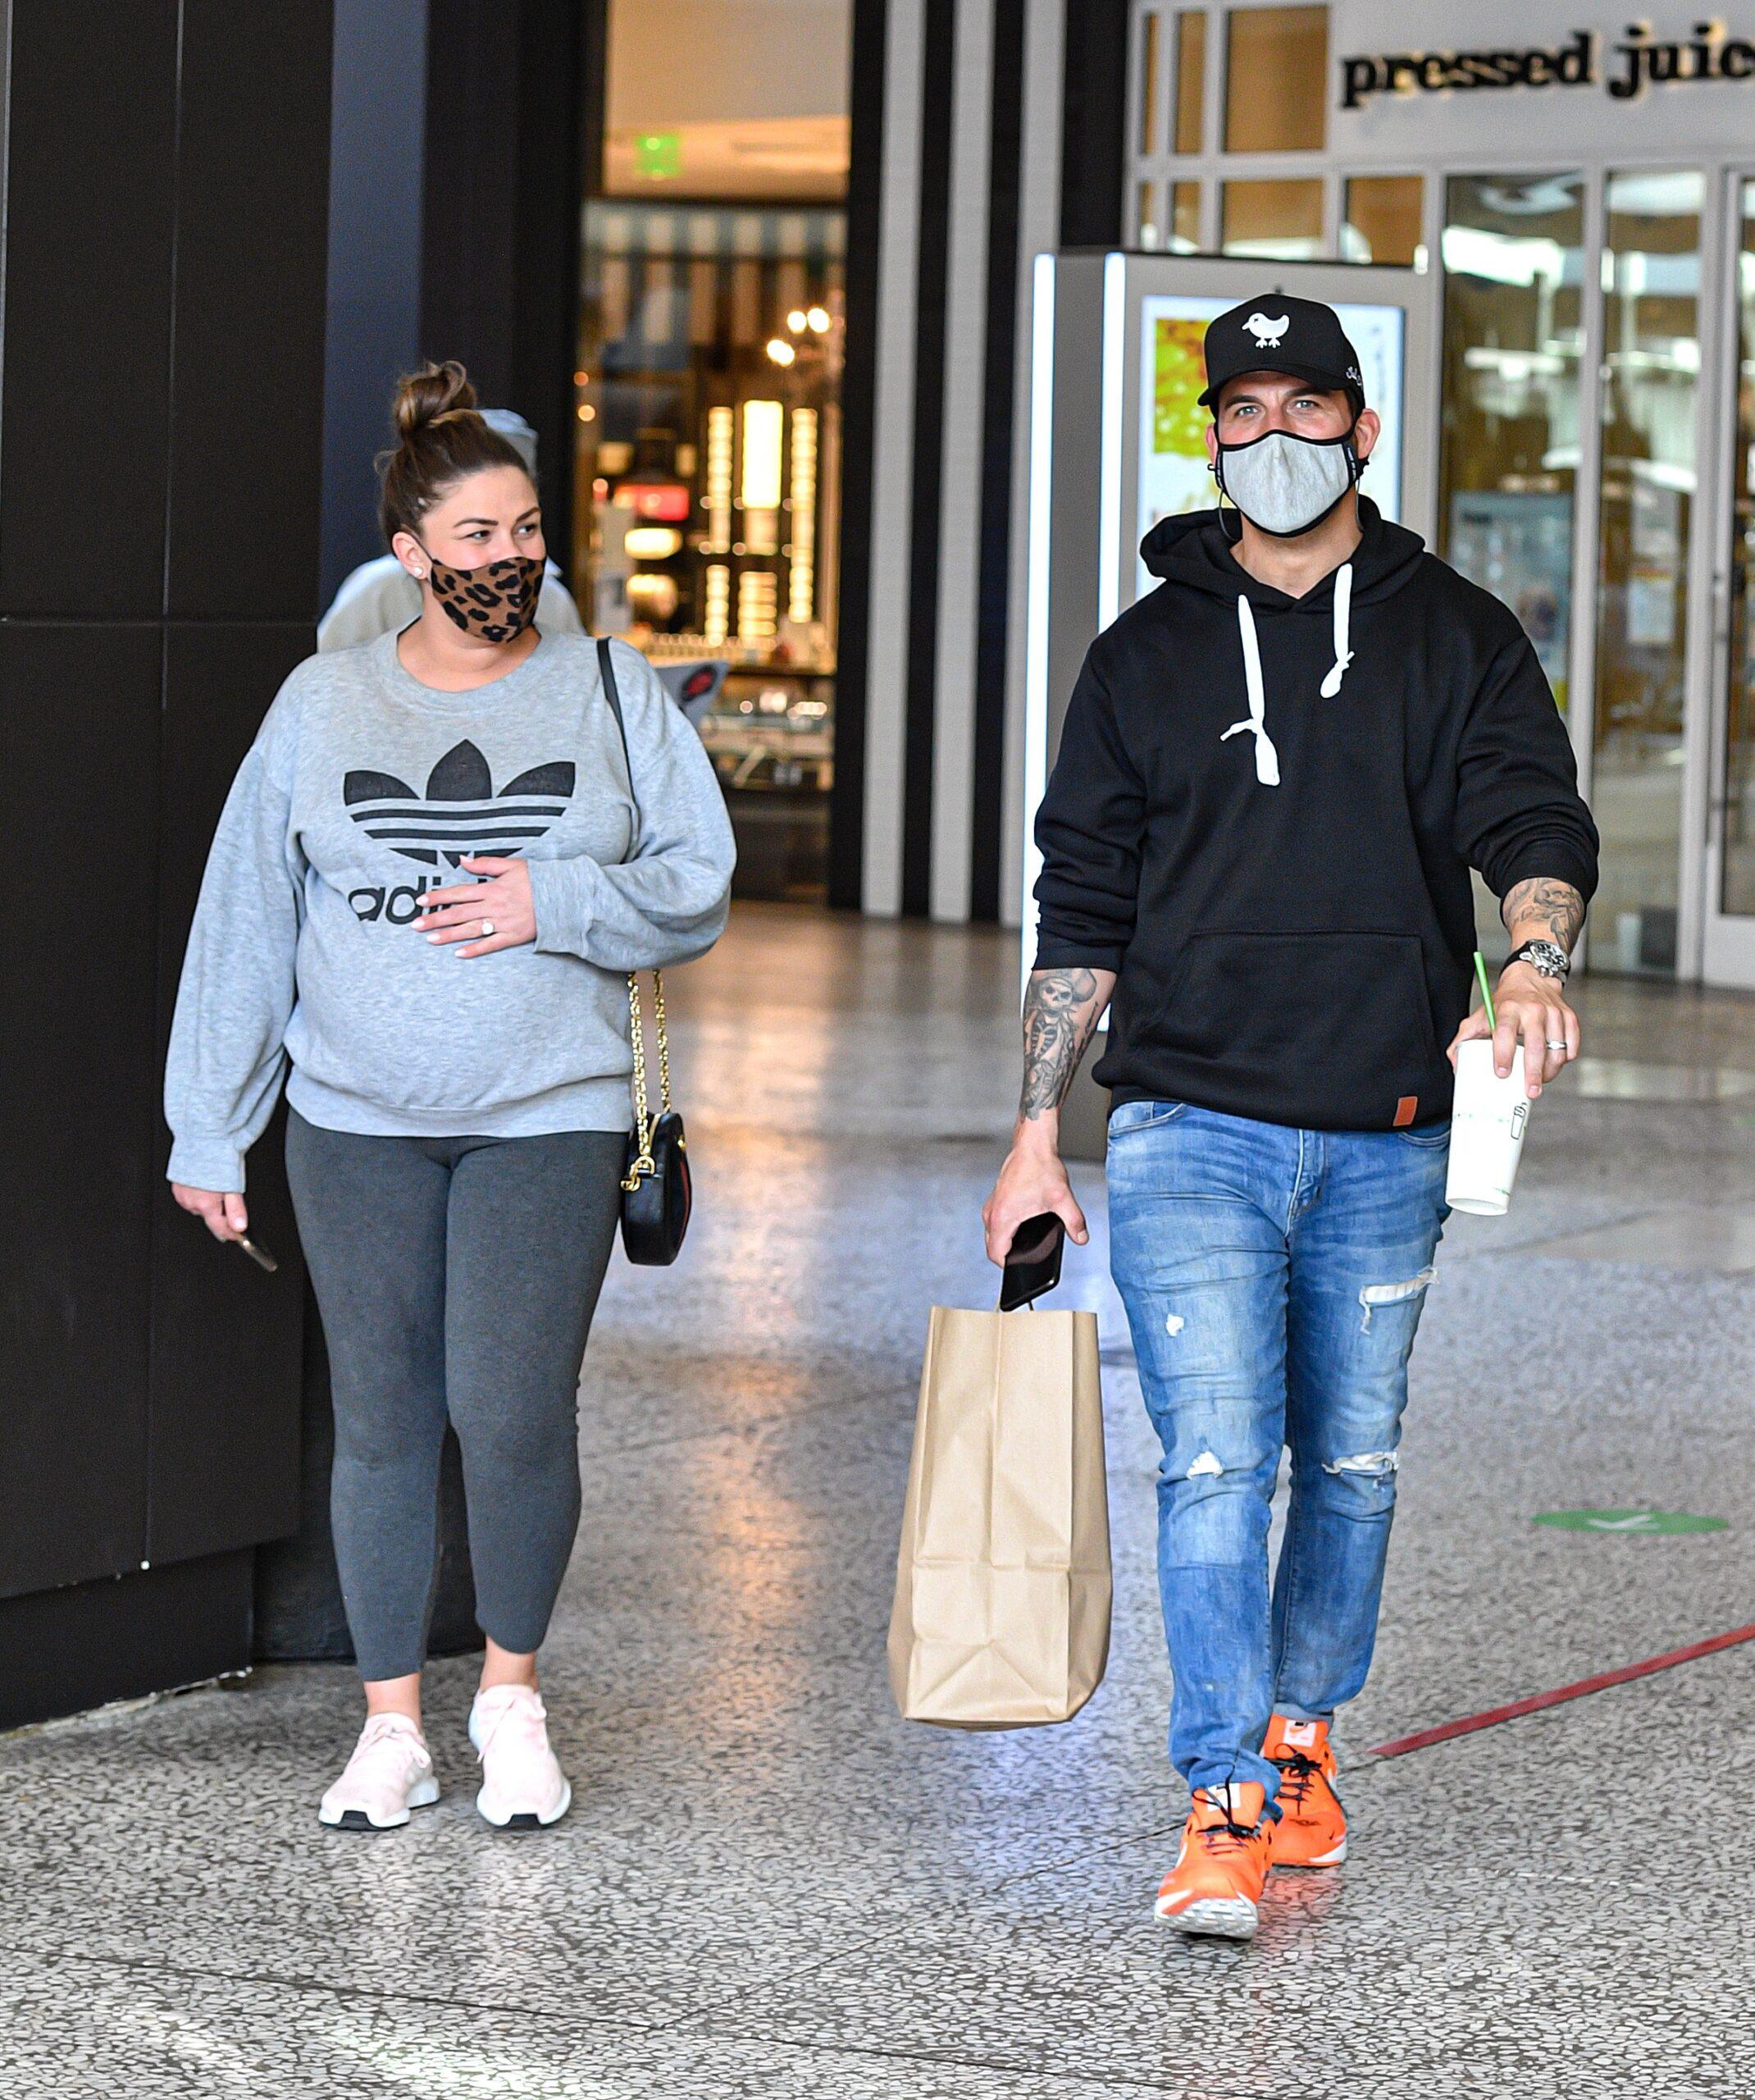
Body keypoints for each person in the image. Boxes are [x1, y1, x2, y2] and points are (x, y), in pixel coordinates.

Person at [982, 295, 1598, 1941]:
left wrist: (1531, 955)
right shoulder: (1139, 654)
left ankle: (1304, 1736)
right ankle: (1220, 1793)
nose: (1273, 440)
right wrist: (1034, 1126)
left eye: (1303, 408)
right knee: (1209, 1457)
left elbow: (1531, 813)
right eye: (1240, 412)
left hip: (1388, 1123)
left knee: (1346, 1460)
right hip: (1188, 1121)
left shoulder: (1451, 632)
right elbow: (1080, 904)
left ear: (1360, 427)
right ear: (1207, 437)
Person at [166, 362, 735, 1833]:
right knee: (382, 1419)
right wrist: (208, 1123)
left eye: (527, 528)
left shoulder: (612, 689)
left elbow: (696, 885)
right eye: (476, 538)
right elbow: (246, 918)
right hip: (353, 1119)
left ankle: (512, 1701)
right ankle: (388, 1729)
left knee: (509, 1407)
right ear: (410, 555)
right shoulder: (324, 700)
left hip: (548, 1108)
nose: (510, 560)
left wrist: (552, 897)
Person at [317, 408, 586, 651]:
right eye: (479, 534)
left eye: (526, 528)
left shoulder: (552, 598)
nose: (509, 554)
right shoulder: (377, 590)